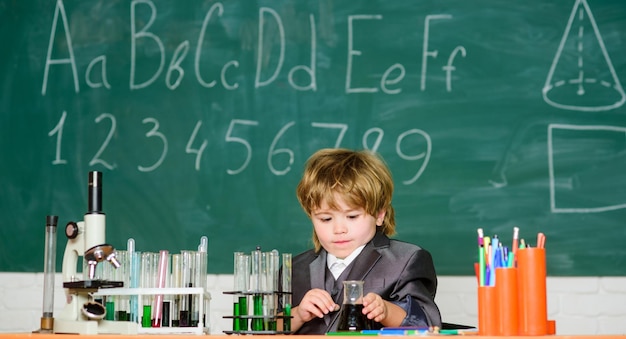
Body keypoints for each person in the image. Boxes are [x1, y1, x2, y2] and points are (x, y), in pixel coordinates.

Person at [288, 148, 442, 334]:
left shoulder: (405, 261)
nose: (339, 229)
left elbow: (427, 323)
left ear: (379, 215)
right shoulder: (294, 269)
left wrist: (386, 311)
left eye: (352, 216)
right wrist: (298, 314)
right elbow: (264, 329)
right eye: (325, 219)